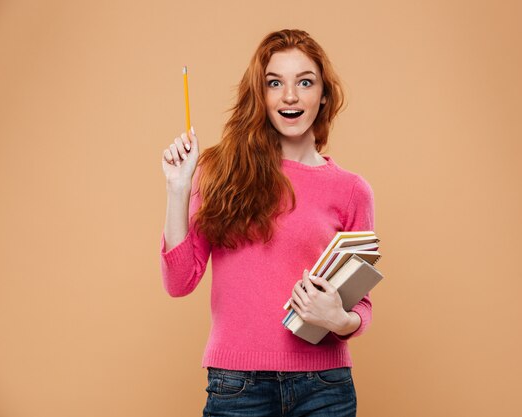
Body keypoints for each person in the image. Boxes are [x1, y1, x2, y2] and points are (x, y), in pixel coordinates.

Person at [160, 29, 375, 417]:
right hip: (237, 386)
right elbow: (179, 283)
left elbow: (361, 305)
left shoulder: (352, 191)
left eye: (304, 82)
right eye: (274, 83)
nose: (289, 96)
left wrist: (339, 319)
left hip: (325, 387)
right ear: (261, 95)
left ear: (323, 95)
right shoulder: (219, 171)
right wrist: (178, 189)